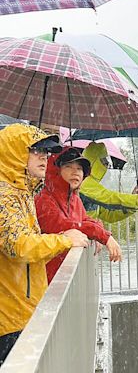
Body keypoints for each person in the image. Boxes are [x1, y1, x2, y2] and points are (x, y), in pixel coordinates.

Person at [0, 124, 89, 366]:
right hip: (9, 318)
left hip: (22, 311)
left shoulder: (22, 193)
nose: (44, 157)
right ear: (14, 152)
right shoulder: (5, 196)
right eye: (35, 151)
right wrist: (64, 239)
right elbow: (19, 246)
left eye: (46, 152)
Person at [35, 147, 122, 283]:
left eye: (80, 168)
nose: (75, 172)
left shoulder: (74, 198)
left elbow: (86, 220)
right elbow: (61, 225)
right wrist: (102, 235)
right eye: (68, 166)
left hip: (66, 277)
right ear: (56, 171)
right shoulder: (43, 199)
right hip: (46, 280)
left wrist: (98, 230)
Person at [79, 142, 138, 223]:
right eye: (103, 160)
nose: (107, 165)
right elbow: (109, 198)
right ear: (93, 161)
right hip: (75, 234)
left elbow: (109, 215)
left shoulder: (93, 187)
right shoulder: (83, 182)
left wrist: (132, 206)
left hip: (86, 234)